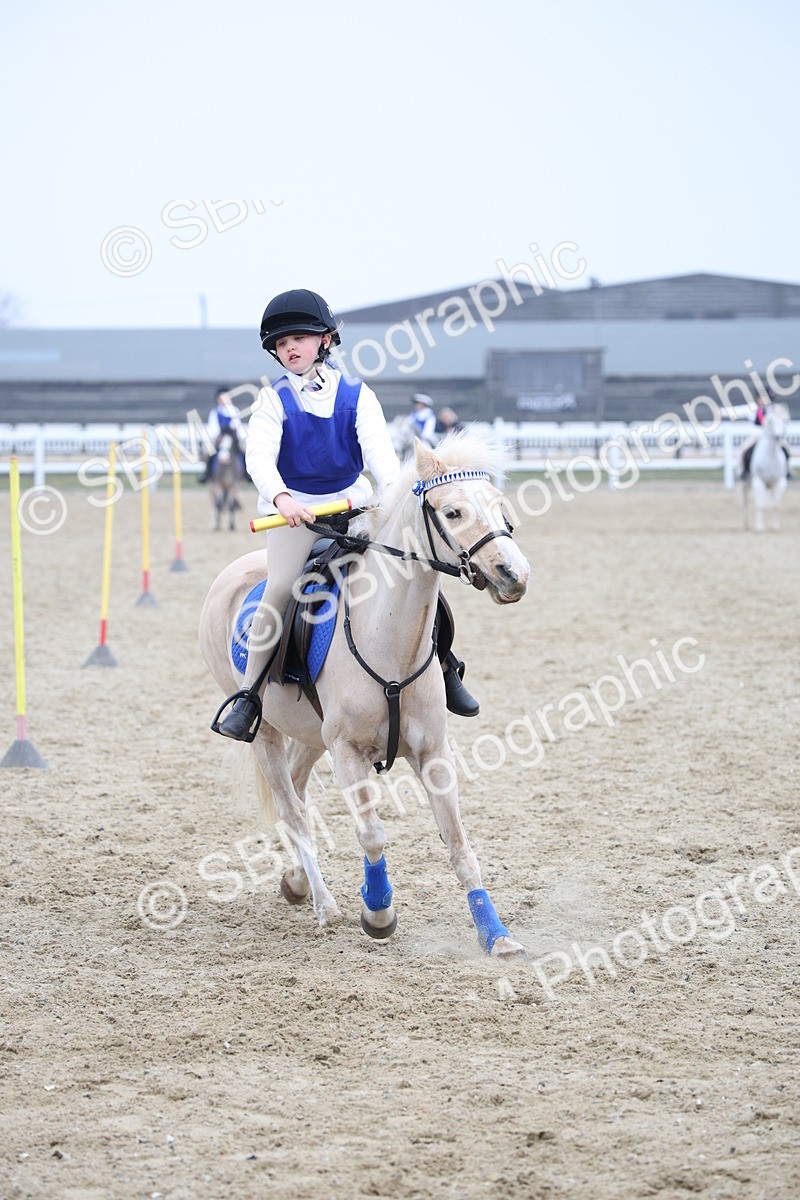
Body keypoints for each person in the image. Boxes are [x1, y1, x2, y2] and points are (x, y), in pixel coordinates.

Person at [213, 289, 480, 741]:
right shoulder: (271, 401)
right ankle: (249, 694)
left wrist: (389, 495)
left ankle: (448, 665)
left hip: (357, 510)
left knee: (413, 574)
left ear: (325, 340)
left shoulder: (357, 394)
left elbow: (380, 455)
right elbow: (258, 458)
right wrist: (282, 499)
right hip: (297, 516)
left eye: (299, 337)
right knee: (278, 590)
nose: (290, 348)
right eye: (281, 344)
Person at [199, 387, 246, 483]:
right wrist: (218, 435)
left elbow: (238, 425)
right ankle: (207, 472)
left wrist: (237, 434)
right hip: (220, 437)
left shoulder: (234, 410)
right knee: (208, 452)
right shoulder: (215, 412)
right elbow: (212, 427)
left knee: (245, 451)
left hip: (233, 436)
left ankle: (246, 472)